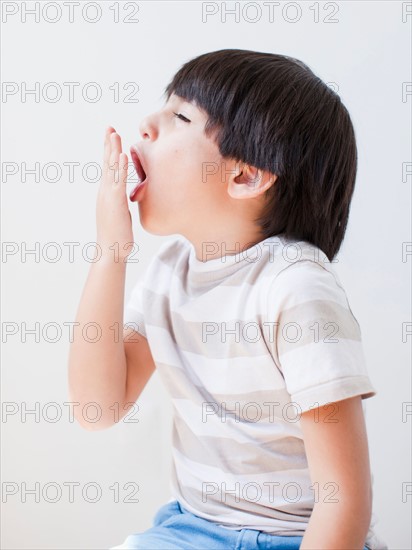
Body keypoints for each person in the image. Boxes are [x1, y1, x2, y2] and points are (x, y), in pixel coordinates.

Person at [68, 49, 388, 550]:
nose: (147, 126)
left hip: (299, 538)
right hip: (190, 529)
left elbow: (343, 499)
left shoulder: (296, 287)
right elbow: (96, 408)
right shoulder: (171, 272)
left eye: (179, 116)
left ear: (246, 176)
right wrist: (111, 251)